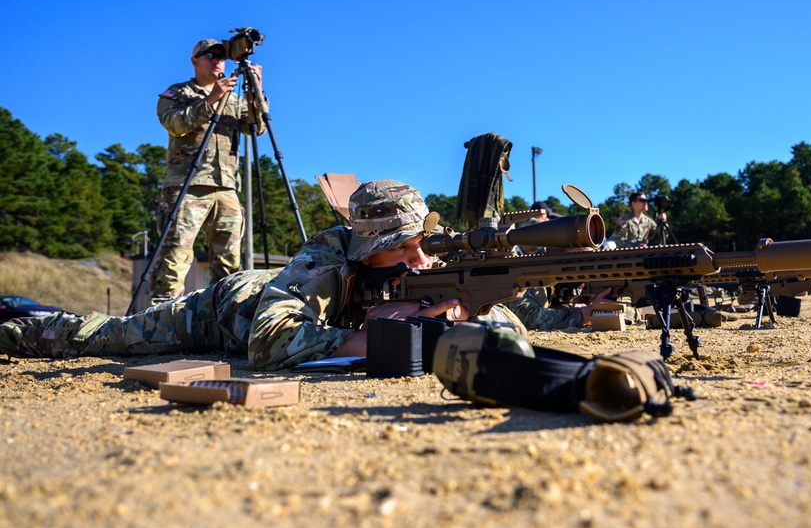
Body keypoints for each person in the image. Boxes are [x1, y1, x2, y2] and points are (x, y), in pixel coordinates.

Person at [0, 180, 607, 370]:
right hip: (226, 312)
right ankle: (21, 321)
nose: (420, 260)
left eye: (421, 246)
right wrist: (373, 336)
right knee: (101, 339)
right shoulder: (323, 259)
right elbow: (269, 341)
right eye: (403, 250)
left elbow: (506, 328)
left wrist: (455, 314)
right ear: (368, 249)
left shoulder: (430, 262)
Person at [149, 39, 268, 305]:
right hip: (187, 185)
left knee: (229, 261)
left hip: (226, 188)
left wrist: (256, 92)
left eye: (221, 57)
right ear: (195, 61)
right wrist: (211, 99)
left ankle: (221, 316)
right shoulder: (177, 93)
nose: (217, 61)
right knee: (175, 256)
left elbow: (256, 128)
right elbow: (174, 124)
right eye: (210, 56)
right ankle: (162, 319)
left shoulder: (234, 100)